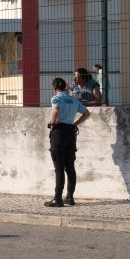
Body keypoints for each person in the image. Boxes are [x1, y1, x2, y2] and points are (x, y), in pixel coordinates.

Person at [46, 78, 91, 207]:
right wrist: (75, 124)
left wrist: (53, 124)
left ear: (54, 87)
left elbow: (56, 110)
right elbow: (87, 113)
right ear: (66, 87)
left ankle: (57, 199)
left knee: (59, 167)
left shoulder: (56, 98)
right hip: (71, 132)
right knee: (70, 167)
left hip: (59, 132)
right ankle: (70, 197)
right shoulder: (74, 99)